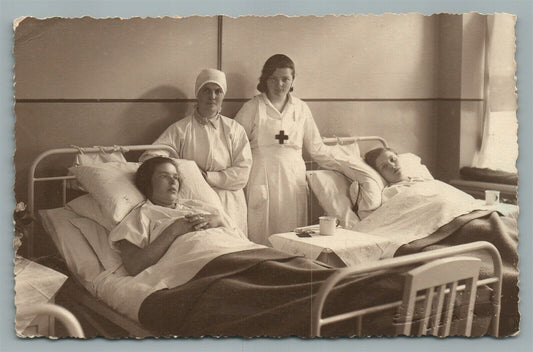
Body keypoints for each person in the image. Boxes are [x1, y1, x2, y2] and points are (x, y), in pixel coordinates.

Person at [235, 54, 339, 245]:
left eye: (285, 79)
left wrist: (346, 166)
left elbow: (317, 148)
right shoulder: (252, 107)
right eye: (273, 78)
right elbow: (234, 145)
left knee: (293, 233)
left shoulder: (300, 108)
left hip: (293, 179)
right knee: (261, 232)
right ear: (265, 79)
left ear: (292, 80)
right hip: (261, 176)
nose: (279, 84)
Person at [140, 69, 252, 235]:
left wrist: (208, 177)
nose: (212, 96)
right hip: (195, 201)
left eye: (217, 91)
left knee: (235, 246)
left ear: (223, 96)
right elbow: (150, 158)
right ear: (197, 94)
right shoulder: (180, 129)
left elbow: (242, 173)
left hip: (230, 202)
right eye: (206, 90)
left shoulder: (235, 130)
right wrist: (184, 171)